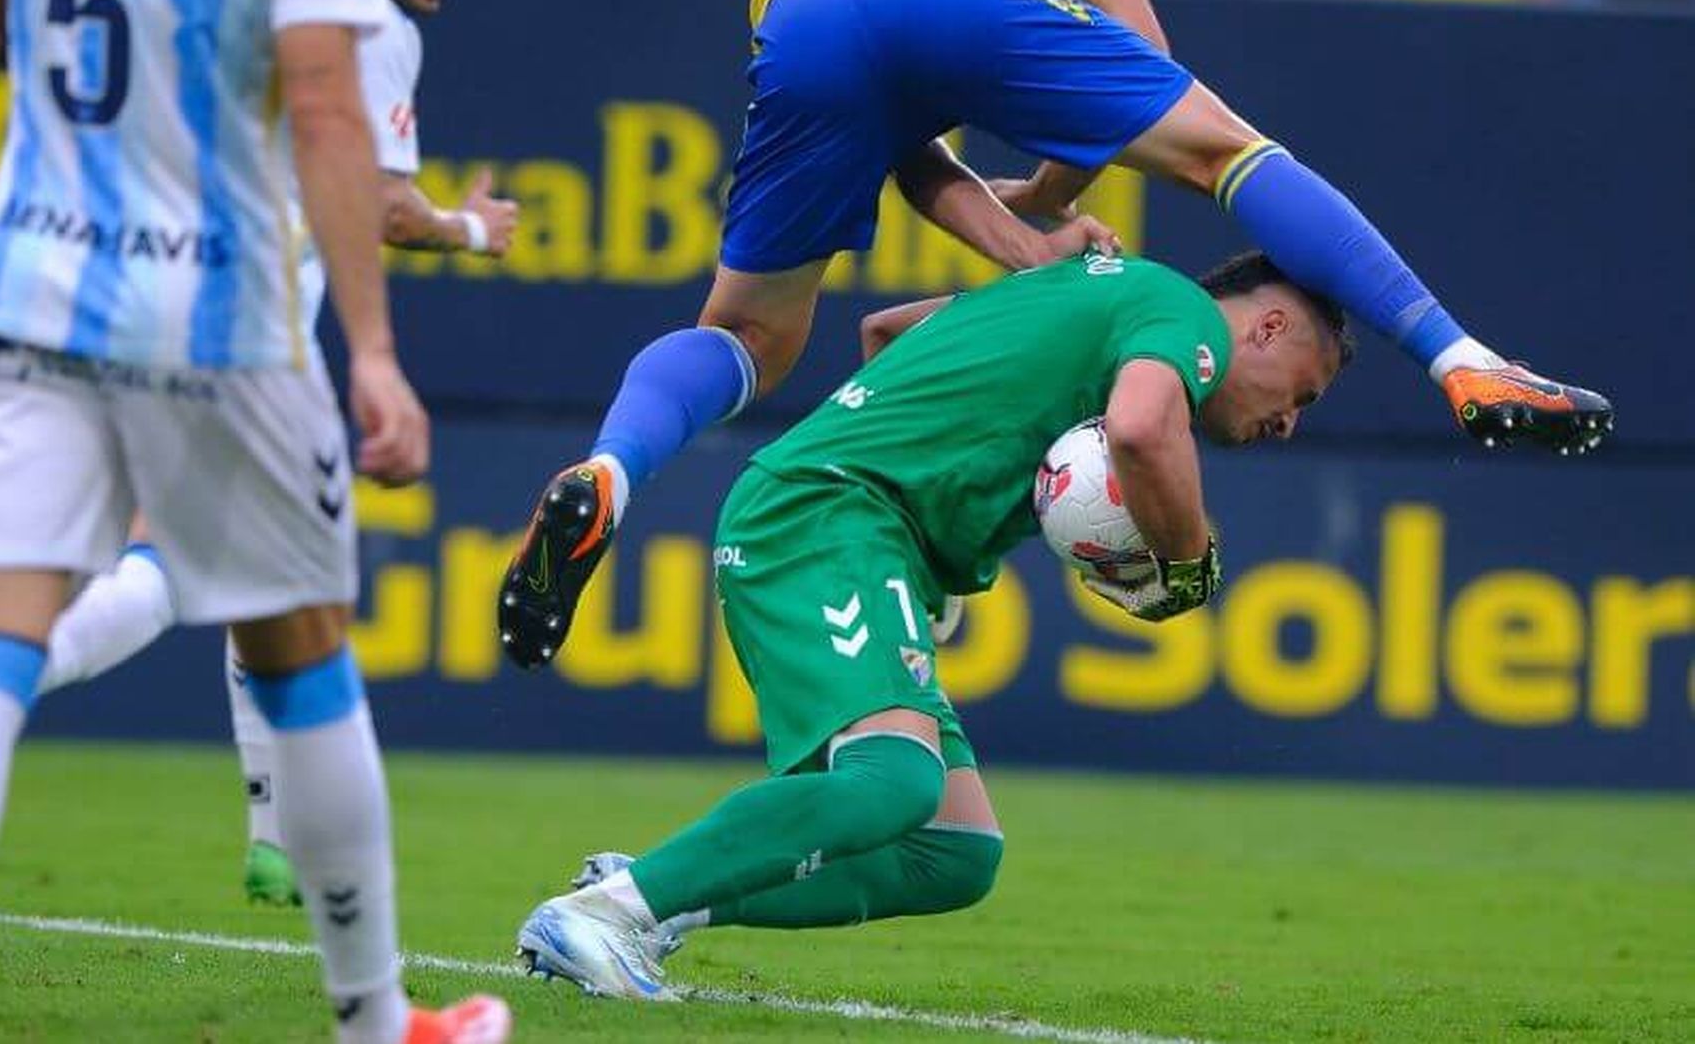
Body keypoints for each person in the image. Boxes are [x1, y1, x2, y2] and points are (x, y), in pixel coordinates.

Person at [494, 0, 1610, 671]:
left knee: (749, 337)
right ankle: (1459, 357)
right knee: (1227, 153)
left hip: (802, 10)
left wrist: (1028, 240)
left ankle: (611, 472)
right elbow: (1143, 63)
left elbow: (906, 149)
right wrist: (1053, 188)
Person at [0, 0, 508, 1043]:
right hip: (215, 311)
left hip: (24, 287)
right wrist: (372, 351)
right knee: (303, 657)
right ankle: (375, 1020)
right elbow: (323, 106)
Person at [513, 249, 1348, 998]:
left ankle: (661, 897)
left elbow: (885, 330)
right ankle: (607, 913)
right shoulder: (1182, 312)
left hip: (860, 530)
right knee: (895, 781)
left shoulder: (1092, 292)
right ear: (1269, 325)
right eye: (1302, 393)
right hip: (827, 514)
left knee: (953, 851)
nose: (1290, 422)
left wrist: (926, 548)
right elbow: (1138, 429)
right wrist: (1190, 559)